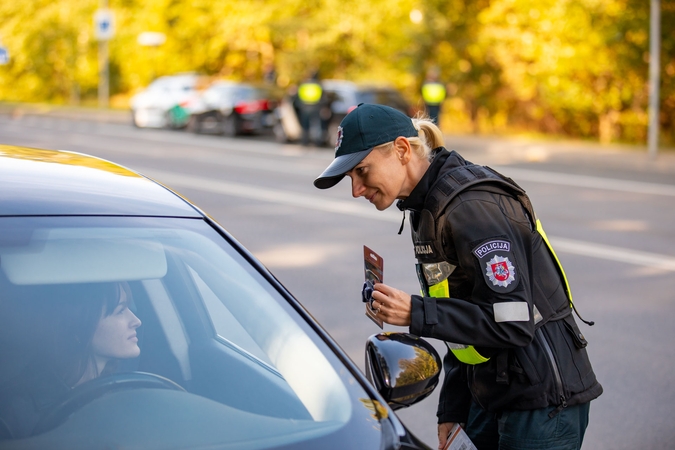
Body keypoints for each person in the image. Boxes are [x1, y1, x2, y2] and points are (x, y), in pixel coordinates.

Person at [313, 103, 602, 450]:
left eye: (362, 171)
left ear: (402, 150)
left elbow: (512, 322)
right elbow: (461, 313)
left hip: (540, 400)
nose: (356, 190)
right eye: (350, 178)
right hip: (491, 388)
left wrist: (416, 313)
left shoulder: (469, 207)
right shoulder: (426, 206)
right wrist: (452, 406)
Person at [0, 282, 141, 439]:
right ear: (79, 326)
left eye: (129, 308)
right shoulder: (16, 412)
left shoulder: (130, 389)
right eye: (120, 311)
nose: (136, 320)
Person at [294, 73, 324, 146]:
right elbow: (323, 98)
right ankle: (317, 142)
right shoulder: (318, 85)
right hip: (315, 108)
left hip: (304, 108)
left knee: (305, 126)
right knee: (316, 125)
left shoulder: (304, 84)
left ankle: (305, 141)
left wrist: (299, 106)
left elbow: (298, 97)